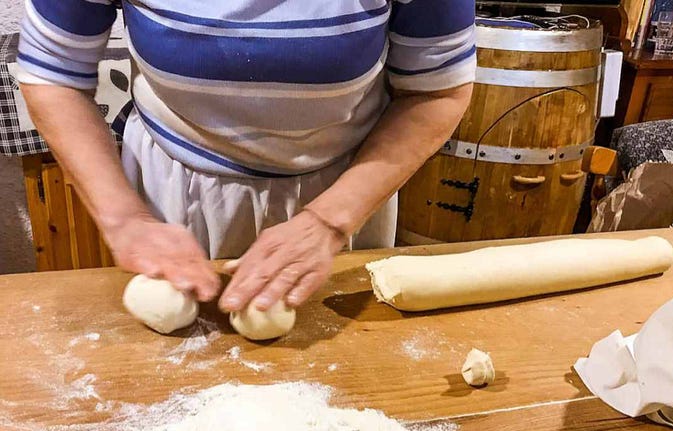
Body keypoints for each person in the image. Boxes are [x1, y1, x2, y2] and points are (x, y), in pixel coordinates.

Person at [18, 1, 476, 313]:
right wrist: (125, 220)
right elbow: (52, 73)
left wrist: (330, 221)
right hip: (174, 196)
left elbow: (436, 92)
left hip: (346, 190)